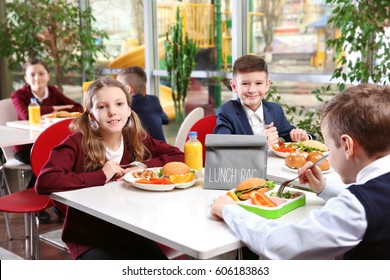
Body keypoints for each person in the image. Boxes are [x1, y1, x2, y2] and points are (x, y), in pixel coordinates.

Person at [211, 83, 390, 260]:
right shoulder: (370, 198)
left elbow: (279, 244)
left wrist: (229, 210)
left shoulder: (355, 209)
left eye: (328, 147)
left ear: (347, 146)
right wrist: (324, 188)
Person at [35, 77, 184, 260]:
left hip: (129, 229)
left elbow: (178, 155)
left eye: (119, 104)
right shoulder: (76, 144)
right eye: (102, 107)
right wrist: (101, 175)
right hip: (88, 238)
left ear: (129, 110)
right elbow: (45, 181)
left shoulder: (136, 138)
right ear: (91, 116)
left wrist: (140, 167)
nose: (112, 112)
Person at [11, 58, 83, 223]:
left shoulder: (53, 91)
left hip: (50, 146)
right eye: (33, 74)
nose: (37, 78)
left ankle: (57, 205)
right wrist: (56, 109)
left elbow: (77, 107)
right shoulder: (19, 95)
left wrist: (54, 109)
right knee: (49, 161)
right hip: (25, 148)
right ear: (26, 78)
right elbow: (27, 115)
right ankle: (45, 205)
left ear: (48, 75)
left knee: (64, 159)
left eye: (41, 73)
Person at [214, 55, 311, 147]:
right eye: (245, 83)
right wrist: (258, 142)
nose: (252, 90)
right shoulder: (226, 112)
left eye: (258, 83)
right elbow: (221, 147)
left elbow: (290, 134)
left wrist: (303, 137)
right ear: (234, 86)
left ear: (267, 86)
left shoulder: (274, 110)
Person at [116, 66, 169, 142]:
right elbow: (165, 120)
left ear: (128, 89)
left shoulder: (125, 107)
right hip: (163, 149)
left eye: (118, 87)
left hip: (142, 152)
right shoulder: (154, 100)